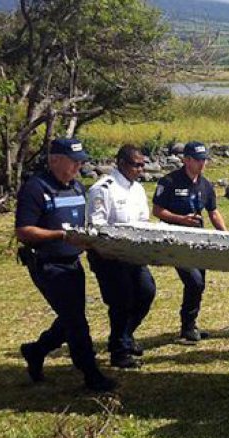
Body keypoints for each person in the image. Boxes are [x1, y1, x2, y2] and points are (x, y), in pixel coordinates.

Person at [16, 138, 116, 392]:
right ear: (54, 160)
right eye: (73, 161)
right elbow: (24, 231)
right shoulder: (36, 188)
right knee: (76, 322)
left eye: (80, 161)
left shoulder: (78, 189)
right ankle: (90, 373)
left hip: (73, 263)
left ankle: (36, 350)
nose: (77, 166)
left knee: (70, 318)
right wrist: (59, 236)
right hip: (47, 265)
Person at [87, 144, 156, 369]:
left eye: (143, 165)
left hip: (134, 254)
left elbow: (143, 221)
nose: (141, 169)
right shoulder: (103, 189)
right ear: (122, 163)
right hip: (109, 256)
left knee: (146, 292)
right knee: (121, 301)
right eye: (137, 165)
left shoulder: (137, 189)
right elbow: (96, 227)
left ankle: (124, 336)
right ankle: (119, 351)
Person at [152, 141, 227, 344]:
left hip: (198, 241)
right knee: (193, 281)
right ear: (186, 160)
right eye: (198, 160)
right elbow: (157, 211)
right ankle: (187, 327)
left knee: (199, 284)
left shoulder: (205, 184)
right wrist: (181, 219)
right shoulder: (169, 182)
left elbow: (213, 211)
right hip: (175, 241)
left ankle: (190, 325)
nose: (202, 164)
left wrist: (226, 234)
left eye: (205, 160)